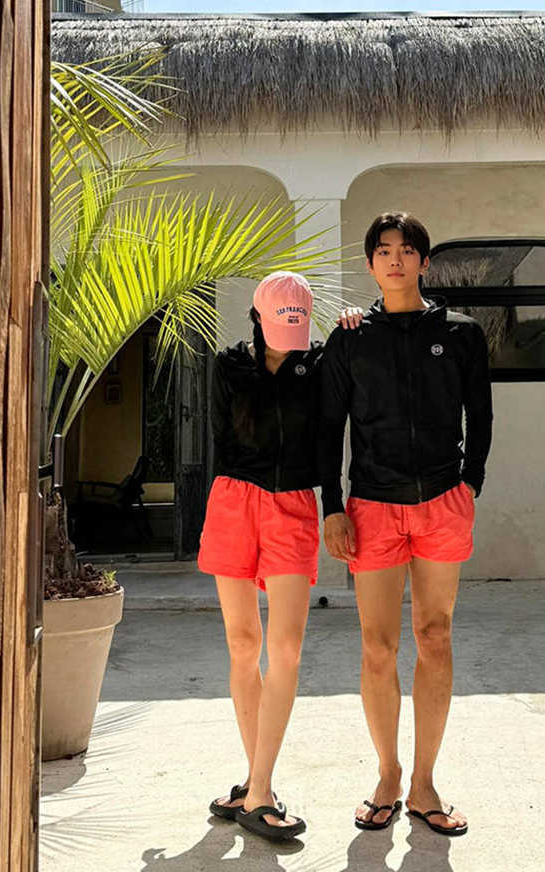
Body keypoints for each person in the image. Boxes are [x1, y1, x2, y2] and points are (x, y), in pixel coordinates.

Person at [319, 212, 493, 836]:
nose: (395, 260)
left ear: (423, 260)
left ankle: (424, 783)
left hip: (443, 501)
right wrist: (332, 505)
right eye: (384, 251)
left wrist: (470, 483)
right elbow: (328, 428)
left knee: (435, 635)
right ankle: (389, 774)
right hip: (372, 505)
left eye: (407, 249)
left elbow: (481, 413)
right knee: (377, 645)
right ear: (370, 264)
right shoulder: (349, 338)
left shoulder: (461, 333)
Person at [197, 271, 321, 843]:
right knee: (243, 644)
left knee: (285, 649)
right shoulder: (229, 365)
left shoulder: (317, 364)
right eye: (278, 326)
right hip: (233, 500)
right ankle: (256, 786)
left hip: (293, 504)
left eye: (297, 327)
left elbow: (328, 436)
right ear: (257, 317)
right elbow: (221, 438)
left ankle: (260, 789)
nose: (288, 341)